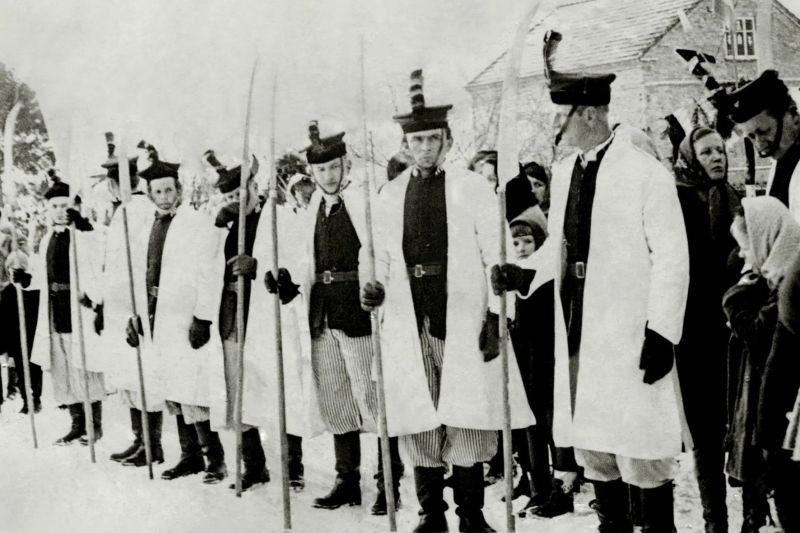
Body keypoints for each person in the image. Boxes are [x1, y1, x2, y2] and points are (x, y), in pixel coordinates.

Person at [496, 65, 690, 532]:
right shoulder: (566, 172)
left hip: (629, 329)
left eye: (559, 117)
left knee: (640, 443)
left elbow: (672, 257)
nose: (555, 129)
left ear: (586, 114)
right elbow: (560, 247)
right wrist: (524, 272)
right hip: (579, 326)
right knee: (596, 442)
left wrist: (662, 331)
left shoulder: (644, 173)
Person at [362, 69, 535, 533]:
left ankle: (471, 515)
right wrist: (371, 286)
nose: (425, 148)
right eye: (416, 141)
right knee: (419, 415)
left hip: (462, 313)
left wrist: (496, 317)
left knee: (468, 415)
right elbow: (376, 257)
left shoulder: (472, 189)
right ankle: (431, 514)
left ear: (447, 141)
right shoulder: (388, 195)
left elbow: (495, 255)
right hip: (409, 316)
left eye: (433, 140)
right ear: (406, 145)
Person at [283, 120, 402, 514]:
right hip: (322, 314)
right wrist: (287, 283)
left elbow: (384, 253)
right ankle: (346, 480)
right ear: (312, 172)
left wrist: (377, 287)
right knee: (336, 398)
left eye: (334, 167)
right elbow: (304, 261)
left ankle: (388, 483)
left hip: (358, 312)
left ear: (346, 165)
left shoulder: (366, 204)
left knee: (373, 398)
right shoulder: (312, 209)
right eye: (321, 170)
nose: (329, 175)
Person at [124, 154, 228, 483]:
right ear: (150, 194)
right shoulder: (147, 226)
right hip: (157, 315)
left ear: (179, 190)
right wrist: (135, 314)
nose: (165, 197)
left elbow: (211, 271)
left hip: (186, 317)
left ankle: (215, 459)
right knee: (172, 386)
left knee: (193, 389)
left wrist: (203, 318)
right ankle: (189, 455)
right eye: (158, 191)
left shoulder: (196, 223)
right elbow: (140, 273)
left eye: (169, 190)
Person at [673, 126, 741, 533]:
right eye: (707, 152)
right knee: (706, 430)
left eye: (720, 150)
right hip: (695, 328)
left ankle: (753, 512)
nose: (717, 158)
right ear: (690, 159)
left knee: (742, 419)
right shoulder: (677, 200)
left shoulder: (733, 197)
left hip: (735, 325)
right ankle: (715, 520)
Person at [15, 173, 107, 445]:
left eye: (64, 205)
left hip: (78, 307)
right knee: (64, 367)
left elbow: (97, 259)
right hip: (55, 309)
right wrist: (26, 279)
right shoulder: (47, 239)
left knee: (84, 366)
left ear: (73, 206)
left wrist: (83, 226)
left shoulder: (84, 234)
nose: (59, 211)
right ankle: (77, 423)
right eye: (54, 206)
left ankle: (94, 425)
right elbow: (42, 275)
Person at [727, 197, 800, 532]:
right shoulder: (774, 280)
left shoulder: (787, 284)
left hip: (786, 425)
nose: (744, 256)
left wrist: (736, 296)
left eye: (747, 247)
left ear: (765, 239)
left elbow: (759, 338)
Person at [506, 207, 579, 520]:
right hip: (523, 355)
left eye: (527, 241)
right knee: (529, 421)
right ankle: (537, 487)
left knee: (550, 419)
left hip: (546, 354)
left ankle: (562, 488)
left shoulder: (546, 270)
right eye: (515, 243)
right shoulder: (509, 272)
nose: (522, 248)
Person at [206, 152, 272, 490]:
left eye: (241, 193)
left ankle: (295, 465)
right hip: (232, 310)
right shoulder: (223, 224)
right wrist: (218, 228)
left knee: (271, 387)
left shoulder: (273, 218)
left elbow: (290, 259)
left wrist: (257, 266)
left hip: (264, 310)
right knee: (237, 388)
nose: (236, 201)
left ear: (255, 188)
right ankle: (254, 464)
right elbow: (206, 263)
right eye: (229, 196)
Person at [97, 138, 166, 466]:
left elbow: (141, 264)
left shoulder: (137, 211)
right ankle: (140, 440)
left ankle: (152, 444)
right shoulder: (123, 211)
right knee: (130, 375)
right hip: (121, 305)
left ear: (117, 184)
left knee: (143, 375)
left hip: (135, 305)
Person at [727, 70, 800, 223]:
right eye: (752, 137)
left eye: (764, 131)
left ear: (794, 116)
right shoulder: (783, 159)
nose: (760, 144)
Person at [0, 248, 42, 414]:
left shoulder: (33, 289)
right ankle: (27, 400)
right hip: (16, 339)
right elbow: (3, 320)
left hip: (32, 336)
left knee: (34, 369)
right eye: (10, 271)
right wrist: (5, 345)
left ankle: (36, 398)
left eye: (17, 271)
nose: (13, 274)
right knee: (21, 371)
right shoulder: (7, 292)